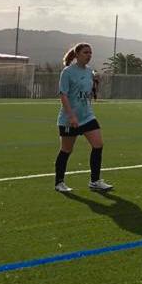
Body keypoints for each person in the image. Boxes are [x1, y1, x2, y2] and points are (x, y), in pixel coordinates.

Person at [54, 43, 113, 193]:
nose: (89, 55)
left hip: (87, 116)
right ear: (77, 54)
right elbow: (63, 95)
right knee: (66, 150)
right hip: (69, 119)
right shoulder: (67, 72)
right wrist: (71, 116)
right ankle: (59, 182)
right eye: (86, 52)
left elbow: (89, 94)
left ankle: (95, 181)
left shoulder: (89, 72)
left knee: (98, 145)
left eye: (90, 53)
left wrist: (95, 84)